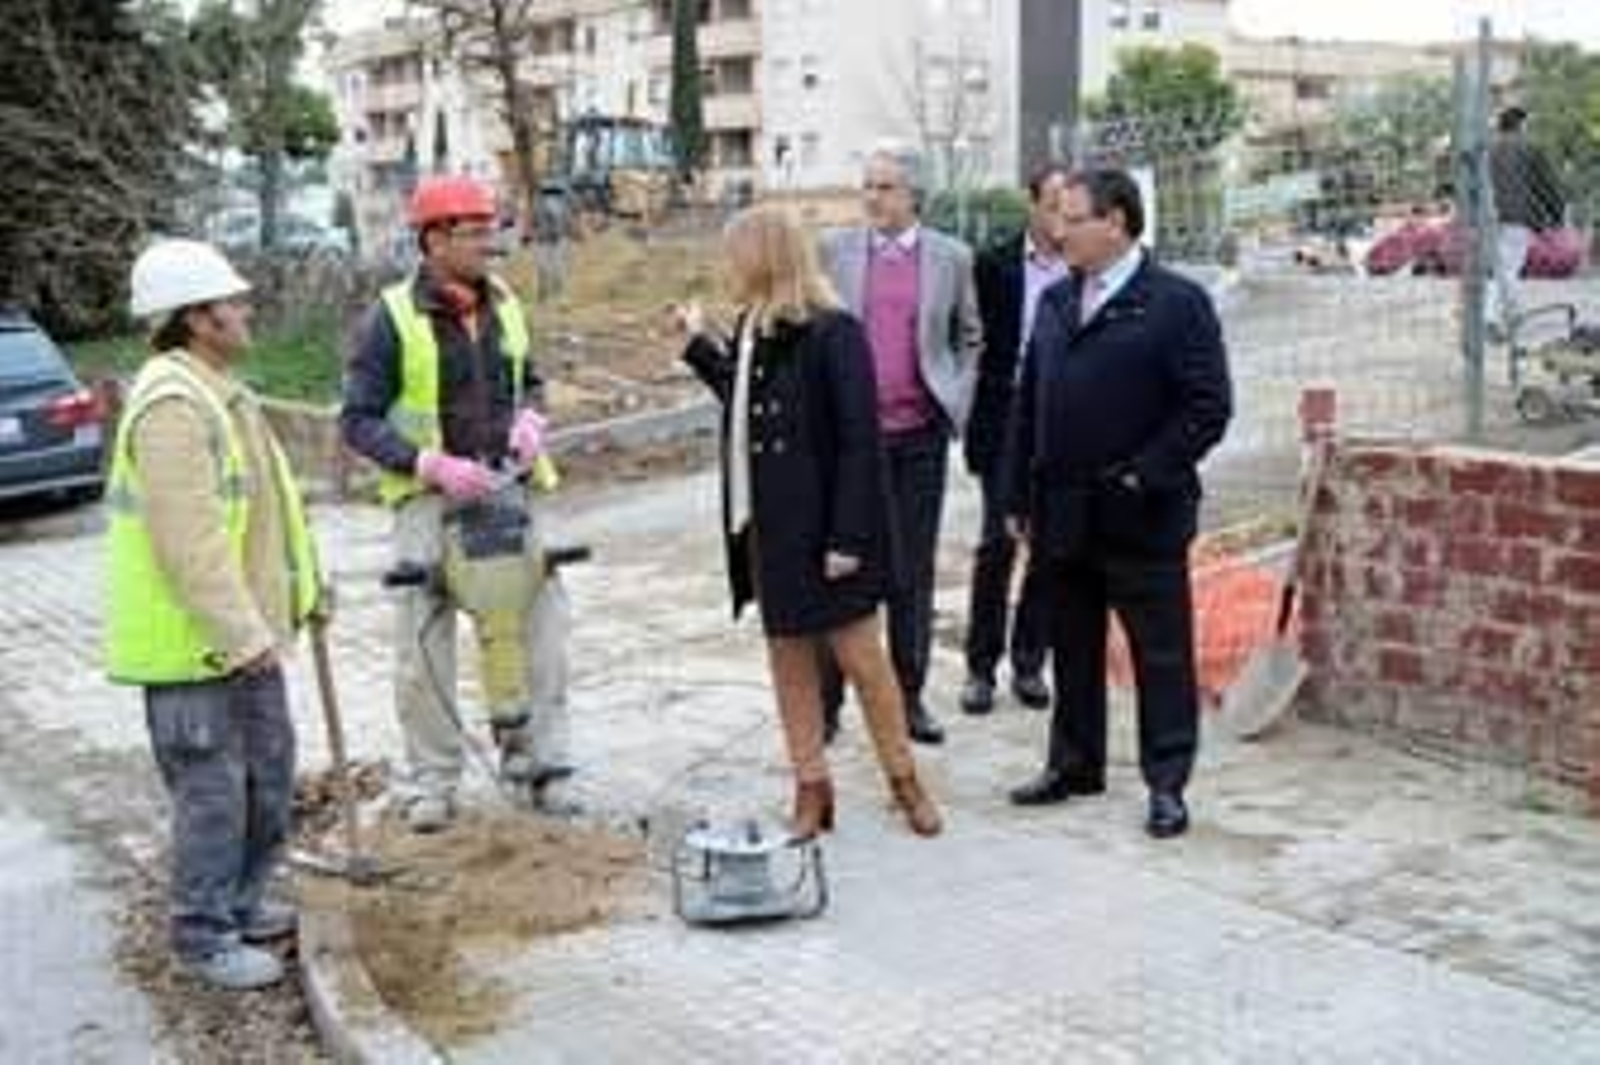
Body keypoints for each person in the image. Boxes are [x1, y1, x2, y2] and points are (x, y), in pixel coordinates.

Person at [673, 204, 942, 839]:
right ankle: (811, 788)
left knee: (863, 663)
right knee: (788, 660)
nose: (727, 267)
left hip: (829, 535)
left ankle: (905, 781)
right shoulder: (753, 329)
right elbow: (747, 407)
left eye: (735, 254)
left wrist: (849, 538)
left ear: (766, 256)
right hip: (770, 530)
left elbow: (859, 442)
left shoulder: (832, 331)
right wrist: (695, 344)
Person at [106, 238, 322, 990]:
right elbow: (189, 545)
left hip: (241, 640)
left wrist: (304, 593)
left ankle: (241, 900)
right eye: (232, 302)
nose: (244, 309)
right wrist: (241, 634)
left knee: (268, 776)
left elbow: (269, 518)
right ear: (196, 318)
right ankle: (202, 935)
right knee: (213, 794)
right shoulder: (172, 406)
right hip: (195, 651)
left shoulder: (220, 392)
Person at [340, 175, 576, 833]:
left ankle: (543, 764)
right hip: (427, 503)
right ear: (433, 239)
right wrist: (428, 463)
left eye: (489, 230)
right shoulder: (389, 318)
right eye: (473, 233)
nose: (487, 245)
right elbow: (357, 419)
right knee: (422, 649)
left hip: (511, 491)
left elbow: (529, 378)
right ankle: (433, 781)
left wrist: (532, 419)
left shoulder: (505, 302)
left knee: (542, 636)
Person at [1005, 168, 1232, 839]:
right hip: (1063, 509)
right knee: (1072, 643)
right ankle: (1074, 762)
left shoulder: (1176, 302)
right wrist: (1018, 491)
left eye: (1072, 218)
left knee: (1159, 654)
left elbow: (1208, 406)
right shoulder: (1055, 301)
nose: (1058, 230)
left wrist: (1144, 473)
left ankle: (1167, 782)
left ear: (1117, 222)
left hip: (1143, 514)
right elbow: (1030, 401)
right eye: (1056, 217)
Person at [816, 143, 983, 746]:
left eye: (885, 187)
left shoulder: (951, 258)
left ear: (915, 196)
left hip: (918, 440)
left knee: (912, 570)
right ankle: (828, 702)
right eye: (868, 185)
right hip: (848, 444)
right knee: (839, 567)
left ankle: (908, 696)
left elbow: (970, 336)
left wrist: (956, 397)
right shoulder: (833, 253)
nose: (872, 197)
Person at [960, 162, 1071, 716]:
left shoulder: (1082, 267)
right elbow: (968, 341)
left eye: (1071, 204)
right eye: (1053, 203)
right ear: (1031, 204)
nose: (1062, 215)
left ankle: (1030, 661)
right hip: (1004, 417)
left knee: (1049, 545)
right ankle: (980, 667)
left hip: (1062, 420)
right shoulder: (995, 265)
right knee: (997, 543)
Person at [1488, 106, 1565, 337]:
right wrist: (1556, 215)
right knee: (1508, 269)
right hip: (1516, 216)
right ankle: (1491, 318)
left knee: (1501, 268)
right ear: (1520, 124)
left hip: (1487, 217)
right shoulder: (1530, 148)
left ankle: (1512, 314)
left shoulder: (1489, 149)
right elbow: (1546, 184)